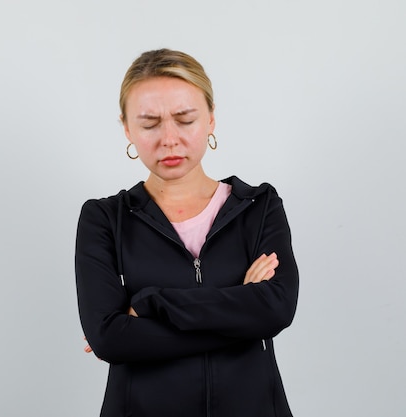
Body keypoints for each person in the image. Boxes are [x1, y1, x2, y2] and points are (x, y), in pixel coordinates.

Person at [74, 48, 299, 417]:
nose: (169, 139)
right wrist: (239, 310)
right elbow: (109, 339)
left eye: (185, 119)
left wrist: (149, 305)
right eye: (149, 123)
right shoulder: (103, 219)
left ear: (210, 119)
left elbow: (276, 309)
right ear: (127, 128)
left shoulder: (259, 206)